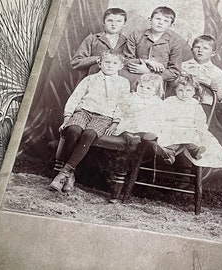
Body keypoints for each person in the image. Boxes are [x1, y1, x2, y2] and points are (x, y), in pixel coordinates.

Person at [50, 50, 130, 192]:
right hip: (84, 111)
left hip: (104, 116)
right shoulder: (90, 79)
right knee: (74, 130)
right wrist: (68, 117)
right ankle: (69, 175)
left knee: (88, 134)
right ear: (99, 63)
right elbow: (75, 98)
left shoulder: (123, 83)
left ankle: (63, 173)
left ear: (121, 66)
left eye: (114, 63)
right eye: (107, 62)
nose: (110, 66)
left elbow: (123, 105)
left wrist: (115, 123)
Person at [155, 74, 222, 168]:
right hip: (172, 127)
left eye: (188, 90)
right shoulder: (169, 101)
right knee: (172, 136)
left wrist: (201, 129)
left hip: (189, 128)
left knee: (193, 136)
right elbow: (161, 114)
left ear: (194, 91)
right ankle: (169, 152)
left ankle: (195, 151)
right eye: (180, 90)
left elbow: (200, 119)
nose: (184, 94)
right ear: (175, 91)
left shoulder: (195, 104)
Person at [121, 6, 182, 85]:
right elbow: (126, 60)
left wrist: (149, 72)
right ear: (150, 20)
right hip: (135, 79)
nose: (160, 23)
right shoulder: (136, 35)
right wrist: (147, 62)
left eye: (166, 21)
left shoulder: (175, 41)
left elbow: (175, 71)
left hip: (159, 83)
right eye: (158, 19)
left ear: (171, 25)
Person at [70, 8, 127, 79]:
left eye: (119, 21)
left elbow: (129, 62)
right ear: (103, 22)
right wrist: (98, 59)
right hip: (91, 81)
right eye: (110, 20)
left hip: (116, 83)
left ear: (125, 24)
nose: (114, 24)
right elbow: (75, 63)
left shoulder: (127, 42)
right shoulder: (92, 39)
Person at [181, 35, 222, 104]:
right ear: (192, 49)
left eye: (205, 48)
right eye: (197, 47)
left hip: (204, 106)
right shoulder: (182, 66)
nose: (200, 50)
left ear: (213, 53)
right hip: (182, 103)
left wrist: (216, 90)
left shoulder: (217, 72)